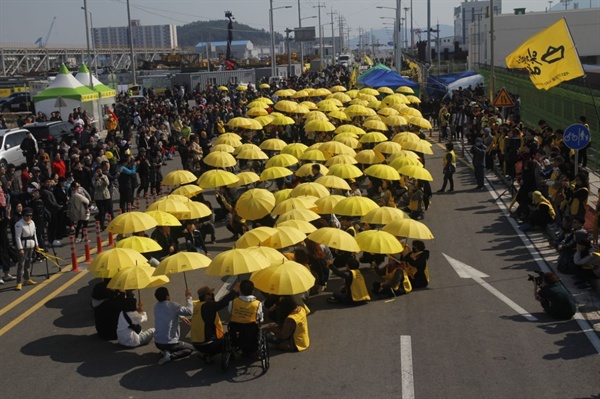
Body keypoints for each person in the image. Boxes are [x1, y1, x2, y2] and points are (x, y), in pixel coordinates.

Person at [191, 284, 239, 364]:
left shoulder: (198, 306)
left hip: (196, 345)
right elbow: (222, 303)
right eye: (211, 294)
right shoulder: (207, 306)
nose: (213, 296)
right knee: (230, 340)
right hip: (208, 345)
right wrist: (234, 291)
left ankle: (206, 355)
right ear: (206, 296)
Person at [153, 287, 195, 365]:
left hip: (157, 343)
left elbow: (167, 314)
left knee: (167, 346)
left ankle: (165, 351)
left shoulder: (156, 306)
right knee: (190, 349)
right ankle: (170, 356)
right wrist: (188, 297)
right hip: (170, 343)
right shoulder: (172, 305)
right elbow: (189, 311)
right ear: (167, 296)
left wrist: (181, 316)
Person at [228, 280, 263, 356]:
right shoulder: (257, 304)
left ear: (240, 290)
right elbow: (260, 318)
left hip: (236, 330)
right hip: (251, 332)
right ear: (253, 291)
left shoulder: (233, 302)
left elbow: (230, 312)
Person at [14, 207, 38, 291]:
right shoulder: (19, 224)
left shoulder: (32, 223)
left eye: (30, 216)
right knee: (21, 264)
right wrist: (20, 248)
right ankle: (19, 282)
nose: (29, 217)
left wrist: (37, 245)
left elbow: (34, 234)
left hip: (31, 245)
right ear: (23, 216)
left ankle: (27, 279)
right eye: (27, 216)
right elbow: (17, 237)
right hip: (23, 246)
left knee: (28, 263)